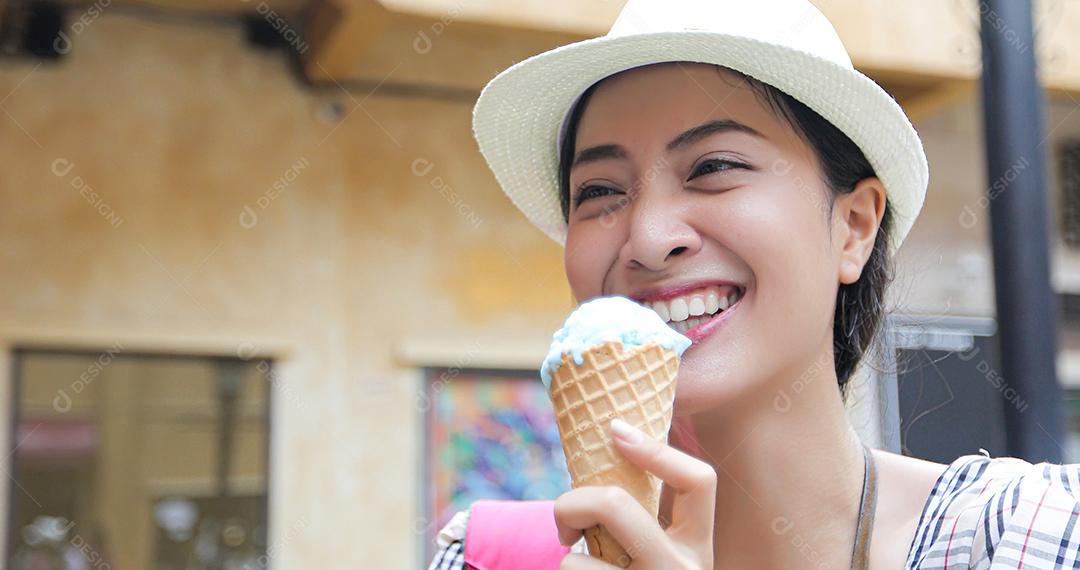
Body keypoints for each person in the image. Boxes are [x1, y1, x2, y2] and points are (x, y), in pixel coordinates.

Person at [429, 0, 1080, 567]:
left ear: (854, 227)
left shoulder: (1032, 536)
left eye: (714, 166)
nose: (649, 237)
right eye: (598, 191)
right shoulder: (485, 558)